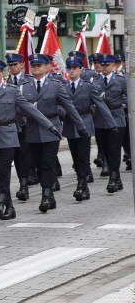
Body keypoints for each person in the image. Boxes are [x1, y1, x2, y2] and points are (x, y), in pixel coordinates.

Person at [0, 58, 53, 220]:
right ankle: (10, 208)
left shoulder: (12, 91)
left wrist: (50, 126)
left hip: (7, 136)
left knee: (4, 172)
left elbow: (30, 110)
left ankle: (0, 202)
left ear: (2, 73)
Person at [21, 54, 87, 213]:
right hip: (32, 130)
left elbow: (69, 107)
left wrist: (81, 126)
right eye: (34, 65)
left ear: (47, 67)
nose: (36, 68)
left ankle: (46, 194)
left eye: (39, 65)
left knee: (48, 163)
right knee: (37, 164)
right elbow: (18, 109)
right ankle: (50, 196)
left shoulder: (55, 85)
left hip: (51, 129)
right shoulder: (24, 86)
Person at [62, 56, 116, 201]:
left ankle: (81, 184)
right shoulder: (63, 87)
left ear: (81, 70)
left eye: (75, 68)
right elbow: (59, 106)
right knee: (75, 156)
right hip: (70, 125)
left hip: (85, 122)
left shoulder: (87, 86)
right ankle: (84, 186)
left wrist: (111, 124)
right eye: (70, 68)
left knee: (83, 157)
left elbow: (100, 105)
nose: (72, 71)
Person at [93, 53, 128, 193]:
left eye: (107, 65)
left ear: (113, 65)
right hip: (101, 120)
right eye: (102, 65)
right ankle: (117, 178)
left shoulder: (121, 81)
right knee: (105, 149)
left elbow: (129, 97)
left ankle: (113, 178)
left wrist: (122, 104)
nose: (104, 67)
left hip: (117, 118)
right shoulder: (94, 82)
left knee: (114, 149)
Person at [4, 53, 36, 200]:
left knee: (24, 156)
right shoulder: (4, 81)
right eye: (10, 65)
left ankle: (24, 186)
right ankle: (19, 184)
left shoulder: (29, 81)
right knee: (14, 156)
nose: (12, 67)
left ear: (22, 65)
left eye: (15, 64)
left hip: (26, 125)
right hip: (10, 125)